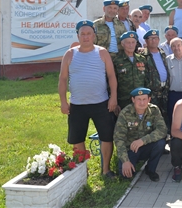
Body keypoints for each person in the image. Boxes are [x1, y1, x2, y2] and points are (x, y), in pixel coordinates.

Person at [58, 20, 118, 178]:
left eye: (89, 34)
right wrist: (63, 102)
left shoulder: (102, 52)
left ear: (94, 35)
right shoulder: (70, 54)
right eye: (82, 34)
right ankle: (82, 171)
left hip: (101, 103)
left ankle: (105, 170)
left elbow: (111, 76)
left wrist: (113, 98)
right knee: (77, 139)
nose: (86, 37)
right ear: (78, 36)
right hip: (77, 105)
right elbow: (63, 79)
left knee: (107, 136)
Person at [114, 88, 167, 181]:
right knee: (125, 176)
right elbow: (119, 139)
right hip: (131, 149)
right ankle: (130, 163)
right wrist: (125, 161)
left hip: (146, 146)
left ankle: (150, 170)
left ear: (149, 99)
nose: (142, 103)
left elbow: (162, 130)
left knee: (160, 143)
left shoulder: (154, 110)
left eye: (144, 99)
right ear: (133, 99)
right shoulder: (125, 113)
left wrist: (143, 140)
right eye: (139, 99)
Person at [112, 31, 150, 110]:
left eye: (133, 42)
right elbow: (111, 81)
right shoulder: (117, 60)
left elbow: (147, 79)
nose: (131, 45)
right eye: (128, 43)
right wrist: (114, 100)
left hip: (140, 100)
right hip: (123, 100)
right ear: (123, 44)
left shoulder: (141, 59)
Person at [142, 29, 171, 123]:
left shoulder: (162, 52)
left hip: (164, 91)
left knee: (165, 115)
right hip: (152, 92)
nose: (154, 41)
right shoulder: (142, 55)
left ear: (158, 40)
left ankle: (166, 135)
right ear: (146, 41)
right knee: (152, 116)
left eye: (155, 38)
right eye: (151, 39)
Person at [166, 37, 182, 131]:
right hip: (173, 93)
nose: (176, 48)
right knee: (172, 116)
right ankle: (173, 138)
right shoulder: (167, 60)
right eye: (173, 46)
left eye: (178, 45)